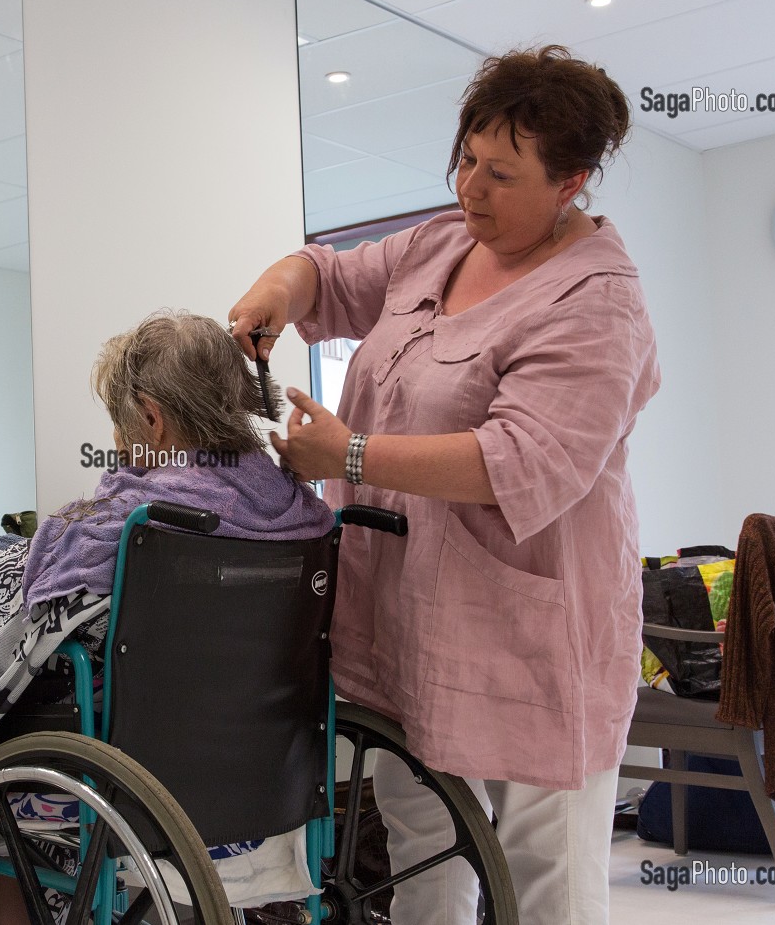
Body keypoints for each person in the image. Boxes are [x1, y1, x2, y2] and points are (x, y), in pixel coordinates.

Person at [228, 45, 659, 925]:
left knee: (547, 873)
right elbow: (329, 275)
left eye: (501, 175)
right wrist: (277, 288)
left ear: (571, 182)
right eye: (466, 159)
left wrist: (349, 456)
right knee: (424, 845)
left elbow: (521, 458)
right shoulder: (441, 244)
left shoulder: (597, 302)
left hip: (531, 626)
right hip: (410, 617)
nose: (471, 188)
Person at [0, 311, 334, 925]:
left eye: (119, 418)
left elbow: (26, 642)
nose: (115, 437)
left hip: (126, 775)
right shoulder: (297, 514)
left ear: (152, 417)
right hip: (262, 773)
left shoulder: (127, 526)